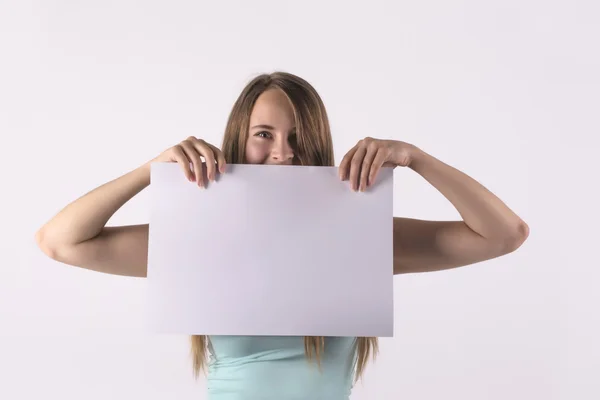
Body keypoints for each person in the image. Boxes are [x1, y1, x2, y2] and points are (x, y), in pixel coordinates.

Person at [35, 71, 529, 399]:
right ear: (238, 141)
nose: (282, 153)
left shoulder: (359, 237)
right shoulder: (199, 240)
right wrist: (151, 171)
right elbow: (61, 241)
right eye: (264, 134)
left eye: (297, 137)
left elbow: (504, 234)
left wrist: (415, 157)